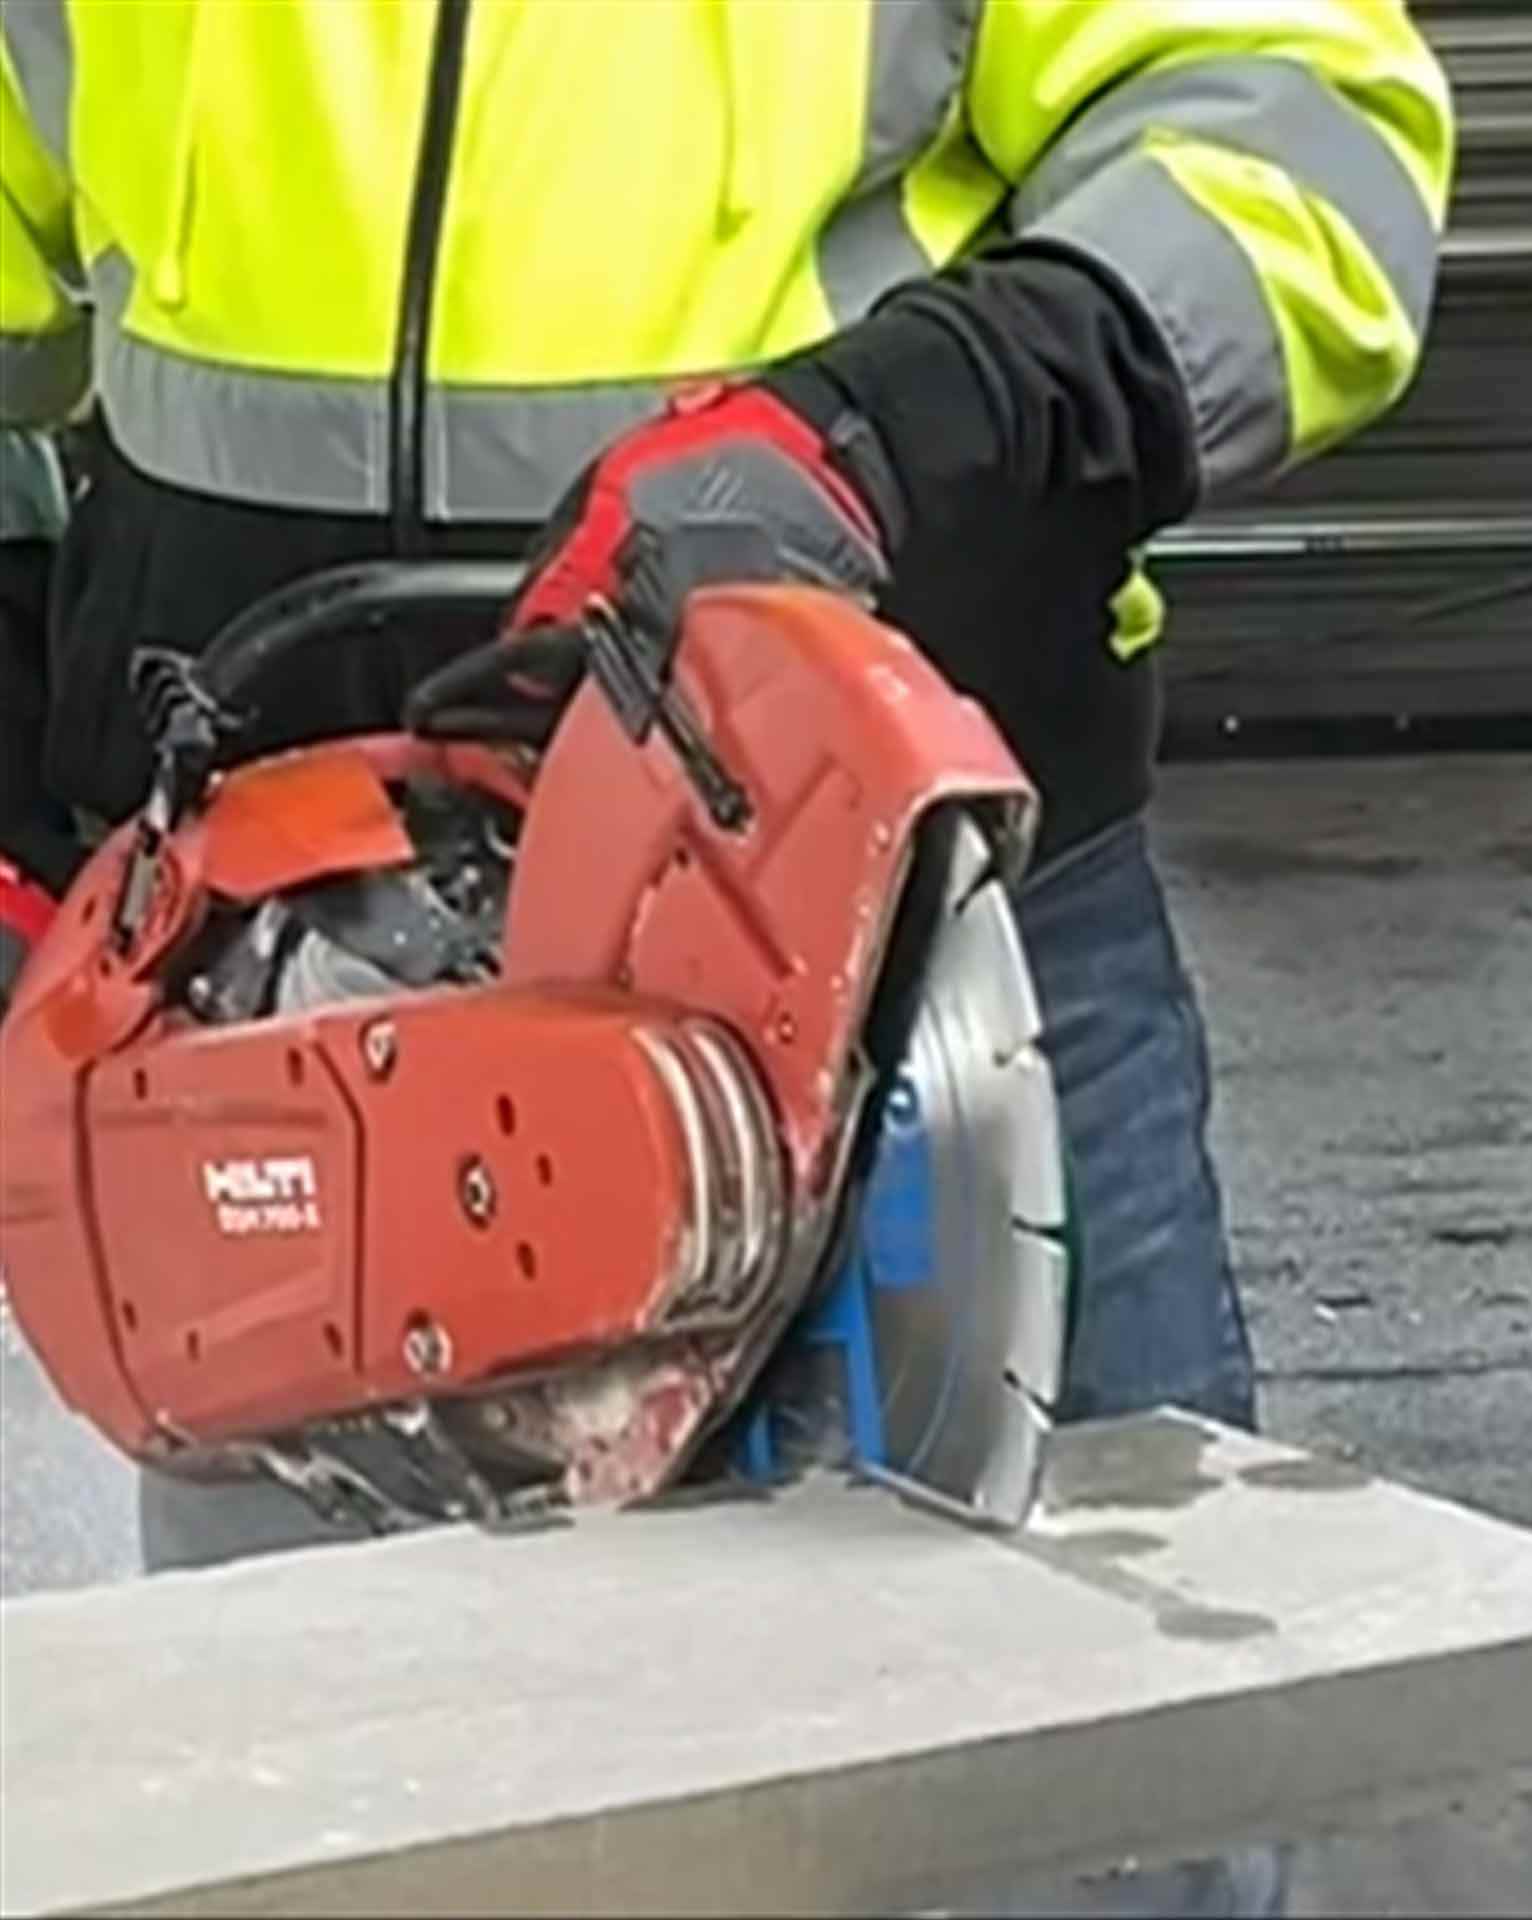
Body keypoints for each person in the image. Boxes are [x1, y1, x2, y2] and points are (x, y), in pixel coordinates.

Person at [1, 2, 1450, 1551]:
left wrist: (920, 415)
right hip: (265, 997)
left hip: (911, 959)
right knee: (333, 1702)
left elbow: (1301, 141)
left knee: (1070, 1679)